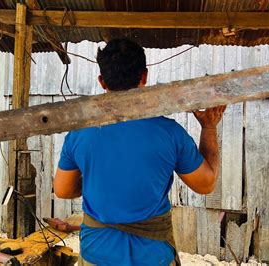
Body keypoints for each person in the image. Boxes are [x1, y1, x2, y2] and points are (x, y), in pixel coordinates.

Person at [54, 39, 226, 266]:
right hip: (153, 257)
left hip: (97, 254)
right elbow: (206, 184)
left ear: (102, 81)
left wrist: (105, 181)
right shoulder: (170, 133)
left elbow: (63, 190)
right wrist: (209, 128)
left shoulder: (79, 134)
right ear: (144, 77)